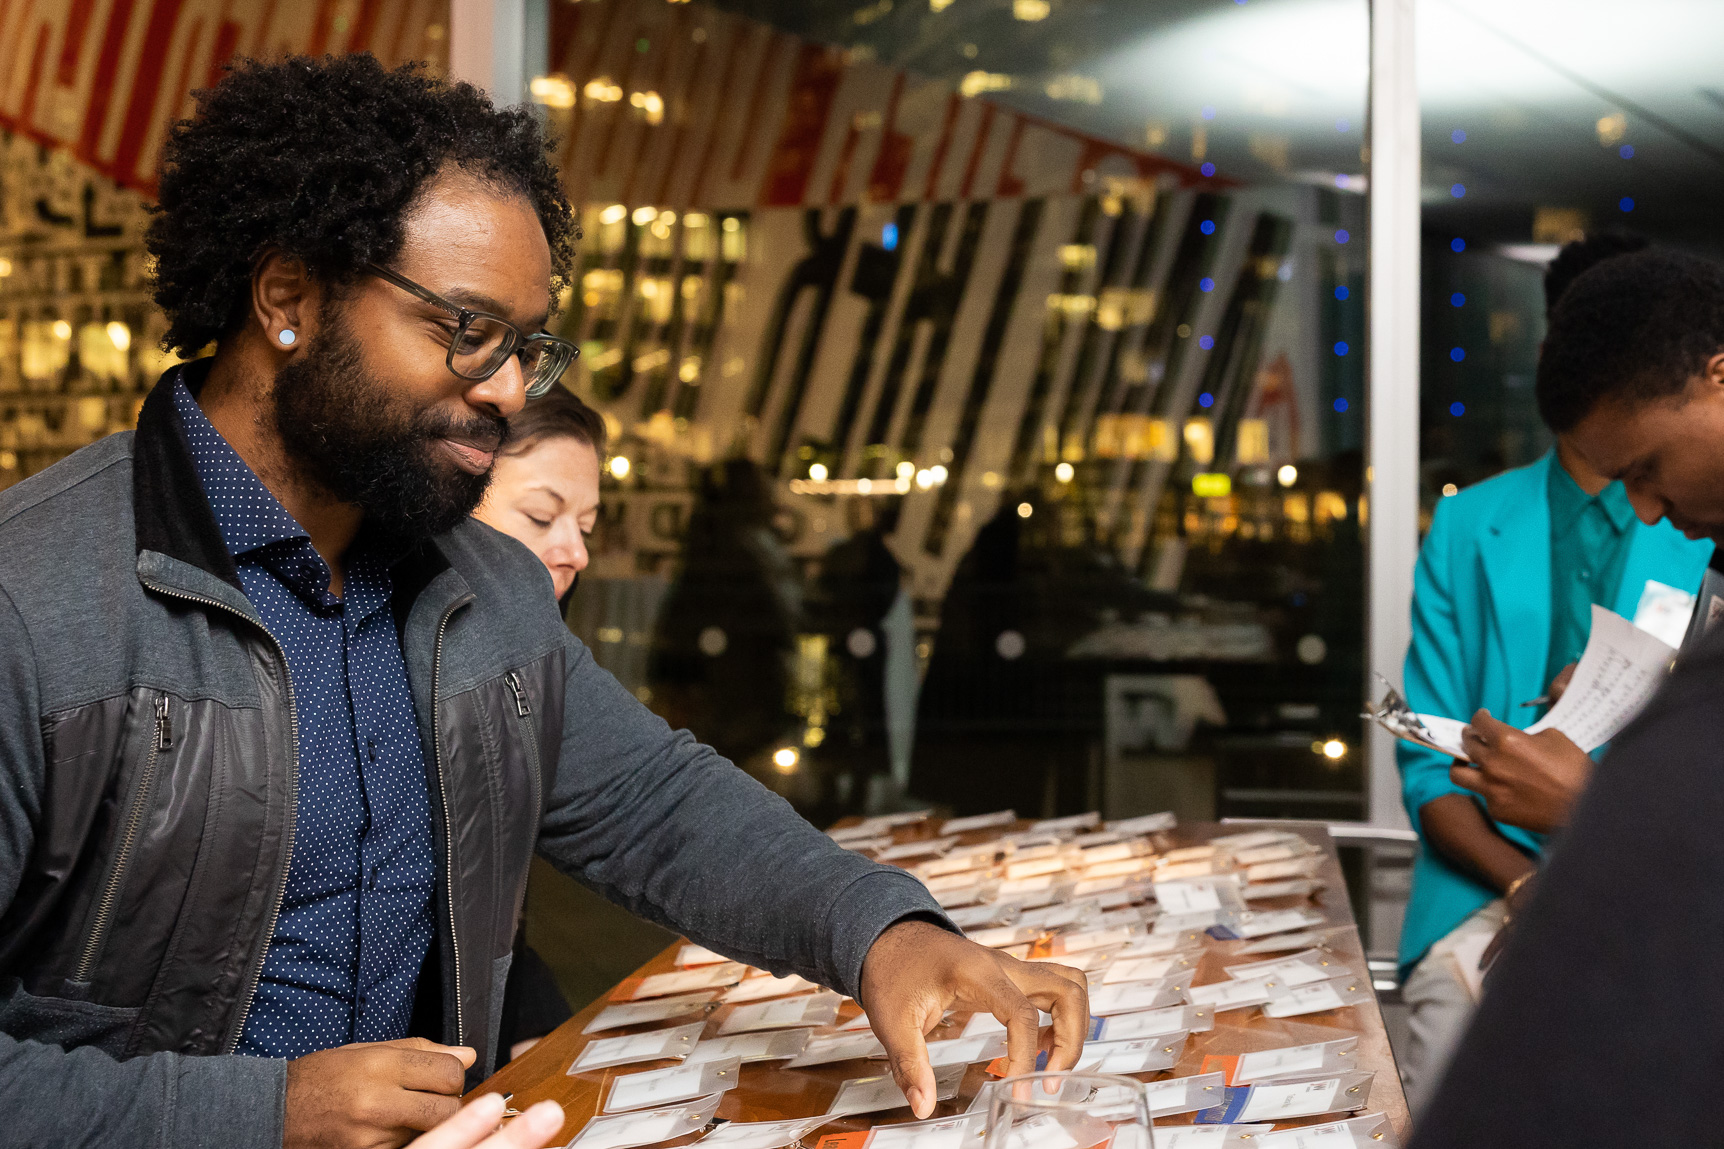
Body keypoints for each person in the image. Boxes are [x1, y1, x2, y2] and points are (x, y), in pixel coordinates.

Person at [0, 55, 1086, 1149]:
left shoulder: (485, 587)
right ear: (288, 299)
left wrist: (882, 932)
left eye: (524, 346)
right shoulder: (30, 602)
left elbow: (654, 804)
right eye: (465, 330)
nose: (510, 389)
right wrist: (266, 1113)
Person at [1409, 247, 1724, 1148]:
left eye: (1650, 466)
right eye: (1623, 476)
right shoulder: (1472, 522)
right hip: (1501, 885)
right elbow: (1425, 765)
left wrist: (1587, 816)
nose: (1647, 509)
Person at [471, 386, 607, 1060]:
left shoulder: (539, 660)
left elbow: (655, 797)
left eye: (587, 525)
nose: (575, 551)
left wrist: (532, 1018)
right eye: (542, 516)